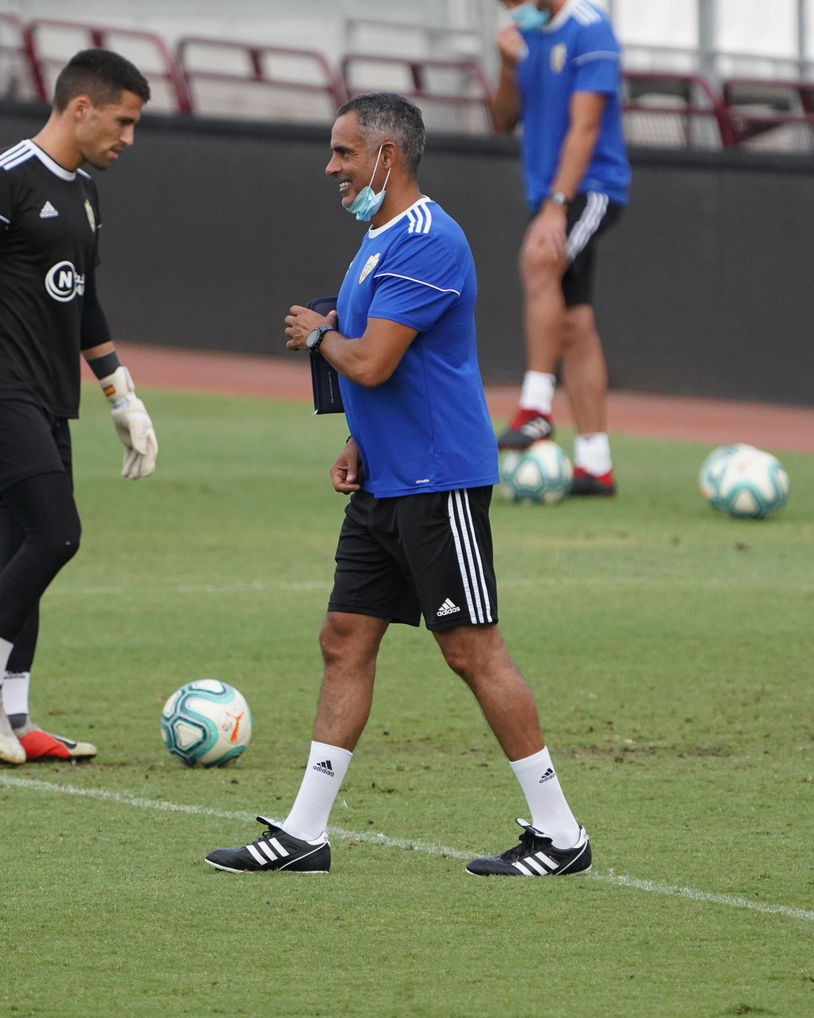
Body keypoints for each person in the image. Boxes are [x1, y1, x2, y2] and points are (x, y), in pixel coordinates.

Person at [204, 92, 590, 877]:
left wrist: (318, 336)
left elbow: (373, 359)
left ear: (388, 155)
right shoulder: (378, 239)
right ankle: (305, 832)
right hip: (386, 479)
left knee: (470, 649)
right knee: (344, 639)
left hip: (438, 480)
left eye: (344, 152)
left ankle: (561, 834)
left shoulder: (429, 241)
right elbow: (386, 375)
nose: (332, 167)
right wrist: (357, 436)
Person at [0, 49, 159, 766]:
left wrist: (122, 393)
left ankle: (15, 716)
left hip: (52, 396)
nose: (128, 138)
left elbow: (82, 300)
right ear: (80, 107)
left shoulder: (85, 190)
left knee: (21, 545)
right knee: (57, 536)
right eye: (122, 121)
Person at [480, 0, 631, 497]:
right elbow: (503, 121)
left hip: (588, 189)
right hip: (551, 193)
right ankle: (595, 465)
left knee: (538, 258)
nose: (514, 11)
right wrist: (507, 66)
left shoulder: (591, 29)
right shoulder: (528, 39)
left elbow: (586, 128)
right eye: (504, 4)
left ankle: (536, 407)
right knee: (575, 324)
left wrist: (556, 205)